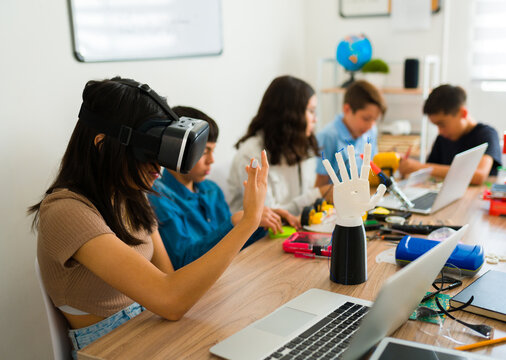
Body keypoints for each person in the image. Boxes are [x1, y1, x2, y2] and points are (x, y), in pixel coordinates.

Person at [28, 77, 268, 358]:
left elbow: (170, 278)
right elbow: (171, 299)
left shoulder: (132, 195)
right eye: (147, 154)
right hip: (109, 348)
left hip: (150, 328)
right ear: (103, 146)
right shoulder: (66, 211)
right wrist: (247, 223)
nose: (159, 167)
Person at [148, 106, 281, 269]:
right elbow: (182, 263)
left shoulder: (212, 190)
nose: (212, 160)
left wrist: (260, 222)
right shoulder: (157, 198)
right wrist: (235, 223)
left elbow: (235, 250)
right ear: (176, 150)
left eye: (213, 151)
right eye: (204, 152)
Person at [228, 75, 332, 228]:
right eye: (310, 111)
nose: (315, 119)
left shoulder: (300, 145)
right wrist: (318, 193)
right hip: (257, 242)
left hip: (291, 231)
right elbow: (270, 217)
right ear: (290, 114)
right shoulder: (252, 155)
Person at [399, 84, 501, 185]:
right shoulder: (442, 138)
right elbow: (429, 175)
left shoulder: (487, 134)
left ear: (463, 113)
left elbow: (479, 175)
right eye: (436, 126)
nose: (440, 131)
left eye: (442, 124)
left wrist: (419, 167)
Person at [315, 80, 387, 186]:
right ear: (347, 109)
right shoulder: (328, 136)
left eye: (375, 120)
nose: (370, 125)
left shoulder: (371, 131)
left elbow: (373, 170)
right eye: (366, 118)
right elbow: (320, 185)